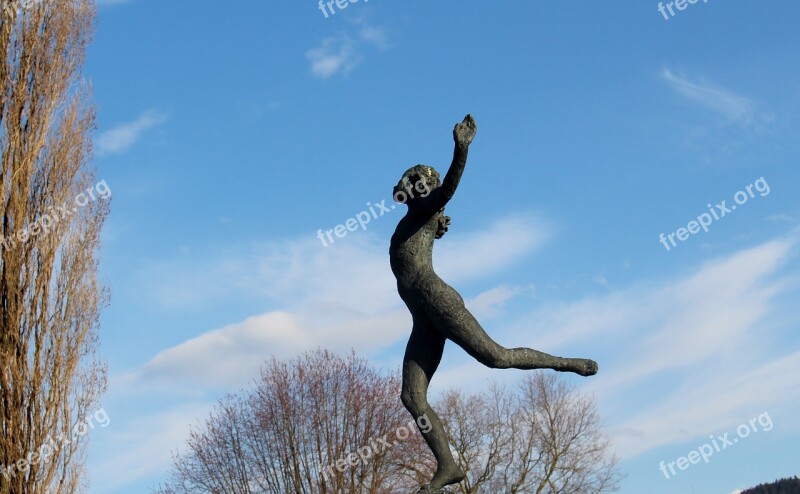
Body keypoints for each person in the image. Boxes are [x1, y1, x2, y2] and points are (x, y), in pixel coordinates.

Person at [390, 114, 598, 492]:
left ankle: (566, 363)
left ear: (428, 191)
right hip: (422, 317)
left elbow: (448, 189)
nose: (412, 184)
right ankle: (448, 466)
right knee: (411, 396)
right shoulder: (413, 217)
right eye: (410, 179)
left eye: (419, 181)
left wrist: (460, 149)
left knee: (497, 357)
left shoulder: (425, 211)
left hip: (438, 301)